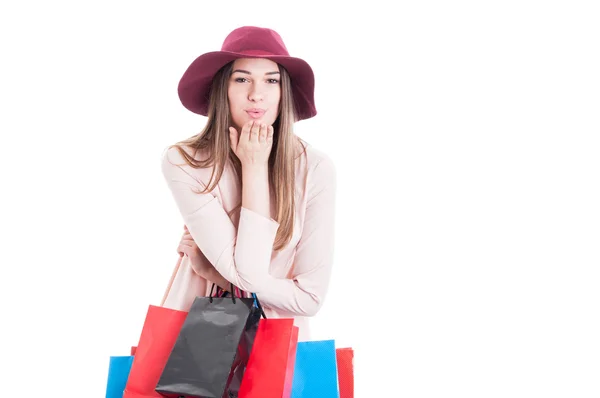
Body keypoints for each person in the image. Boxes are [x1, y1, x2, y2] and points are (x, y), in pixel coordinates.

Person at [160, 26, 336, 342]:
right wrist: (253, 167)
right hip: (194, 342)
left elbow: (310, 298)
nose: (257, 93)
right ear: (222, 89)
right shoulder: (185, 160)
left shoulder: (314, 168)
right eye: (242, 79)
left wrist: (216, 274)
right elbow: (251, 275)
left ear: (285, 92)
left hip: (279, 344)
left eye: (271, 80)